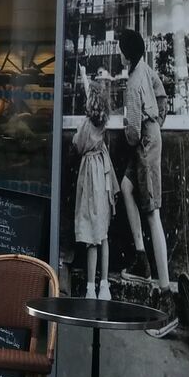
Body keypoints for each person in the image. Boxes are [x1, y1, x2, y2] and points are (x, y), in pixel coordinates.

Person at [119, 28, 171, 292]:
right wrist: (157, 123)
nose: (119, 55)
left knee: (152, 213)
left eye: (120, 51)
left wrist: (131, 126)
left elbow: (132, 134)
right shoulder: (146, 70)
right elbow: (162, 97)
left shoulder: (132, 84)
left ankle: (164, 287)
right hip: (150, 138)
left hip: (144, 144)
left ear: (126, 55)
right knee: (126, 187)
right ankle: (141, 258)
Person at [74, 83, 116, 300]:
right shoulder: (103, 125)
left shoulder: (86, 125)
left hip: (89, 176)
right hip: (103, 174)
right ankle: (105, 285)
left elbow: (78, 145)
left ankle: (90, 287)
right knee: (103, 234)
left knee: (91, 235)